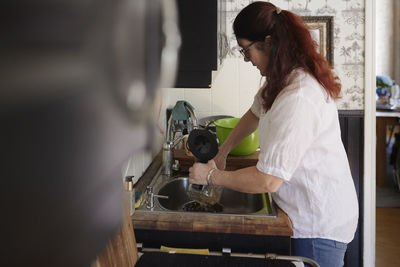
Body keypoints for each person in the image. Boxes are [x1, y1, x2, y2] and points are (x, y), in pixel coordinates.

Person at [188, 2, 359, 267]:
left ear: (268, 43)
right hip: (304, 212)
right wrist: (223, 152)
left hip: (318, 225)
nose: (247, 60)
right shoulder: (283, 79)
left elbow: (267, 181)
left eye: (247, 51)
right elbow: (254, 113)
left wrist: (211, 176)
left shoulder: (299, 97)